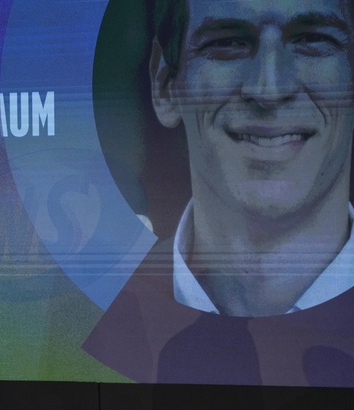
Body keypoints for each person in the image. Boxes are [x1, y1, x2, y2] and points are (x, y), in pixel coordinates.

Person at [83, 0, 354, 386]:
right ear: (165, 84)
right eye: (227, 43)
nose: (269, 89)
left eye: (312, 40)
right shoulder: (86, 325)